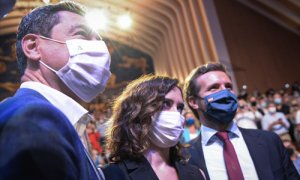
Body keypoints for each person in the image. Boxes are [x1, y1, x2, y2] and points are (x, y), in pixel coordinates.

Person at [0, 1, 111, 179]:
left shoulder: (65, 121)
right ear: (33, 47)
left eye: (98, 40)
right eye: (82, 35)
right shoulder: (33, 117)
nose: (99, 48)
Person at [183, 62, 299, 179]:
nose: (226, 93)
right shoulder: (185, 157)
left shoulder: (270, 141)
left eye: (228, 87)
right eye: (213, 88)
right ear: (193, 102)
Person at [102, 74, 205, 180]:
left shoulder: (197, 174)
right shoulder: (112, 175)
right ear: (139, 112)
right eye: (166, 104)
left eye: (179, 107)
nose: (176, 113)